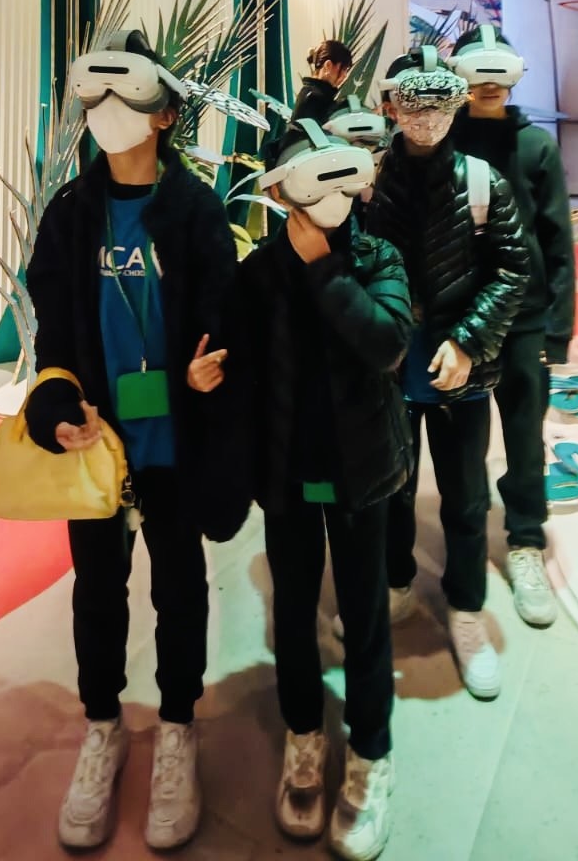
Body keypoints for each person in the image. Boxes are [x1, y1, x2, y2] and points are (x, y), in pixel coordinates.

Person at [23, 32, 248, 852]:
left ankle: (178, 725)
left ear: (165, 114)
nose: (109, 113)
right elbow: (52, 336)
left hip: (175, 444)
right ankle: (103, 723)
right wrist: (55, 407)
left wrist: (211, 371)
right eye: (97, 97)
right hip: (98, 446)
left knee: (180, 588)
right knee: (97, 589)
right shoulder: (69, 215)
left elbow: (226, 317)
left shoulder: (196, 211)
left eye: (128, 98)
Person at [237, 118, 412, 861]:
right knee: (294, 609)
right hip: (287, 474)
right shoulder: (257, 273)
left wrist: (325, 272)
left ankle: (371, 752)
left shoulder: (376, 257)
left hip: (361, 471)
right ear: (279, 192)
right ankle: (304, 735)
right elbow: (241, 365)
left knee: (365, 616)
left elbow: (388, 343)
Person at [364, 46, 530, 701]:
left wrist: (468, 341)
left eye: (439, 104)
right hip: (390, 361)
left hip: (462, 364)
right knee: (389, 486)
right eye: (413, 104)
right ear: (392, 106)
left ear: (457, 105)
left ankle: (466, 607)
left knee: (465, 494)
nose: (426, 118)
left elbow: (513, 270)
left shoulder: (484, 183)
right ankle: (394, 582)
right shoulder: (369, 179)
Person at [449, 25, 576, 629]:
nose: (489, 84)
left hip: (524, 323)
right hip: (462, 324)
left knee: (526, 441)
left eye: (498, 72)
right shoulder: (442, 142)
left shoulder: (535, 147)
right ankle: (467, 546)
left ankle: (526, 541)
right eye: (478, 73)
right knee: (464, 448)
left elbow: (558, 242)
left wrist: (557, 332)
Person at [291, 39, 353, 126]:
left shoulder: (309, 93)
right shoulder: (314, 98)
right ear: (328, 65)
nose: (345, 75)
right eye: (343, 69)